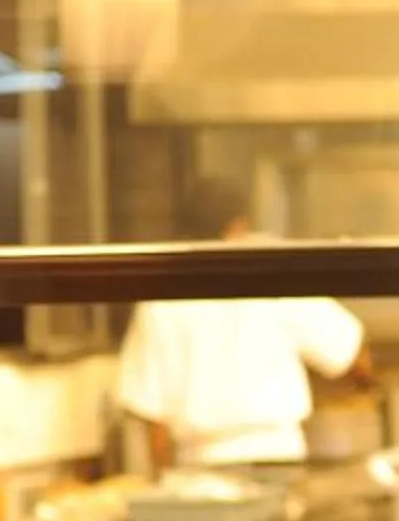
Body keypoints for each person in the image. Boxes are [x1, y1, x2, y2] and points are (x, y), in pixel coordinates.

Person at [114, 177, 368, 471]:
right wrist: (366, 384)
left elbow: (153, 417)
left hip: (201, 468)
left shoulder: (162, 292)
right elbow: (351, 350)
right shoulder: (268, 266)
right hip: (278, 455)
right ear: (239, 225)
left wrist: (164, 484)